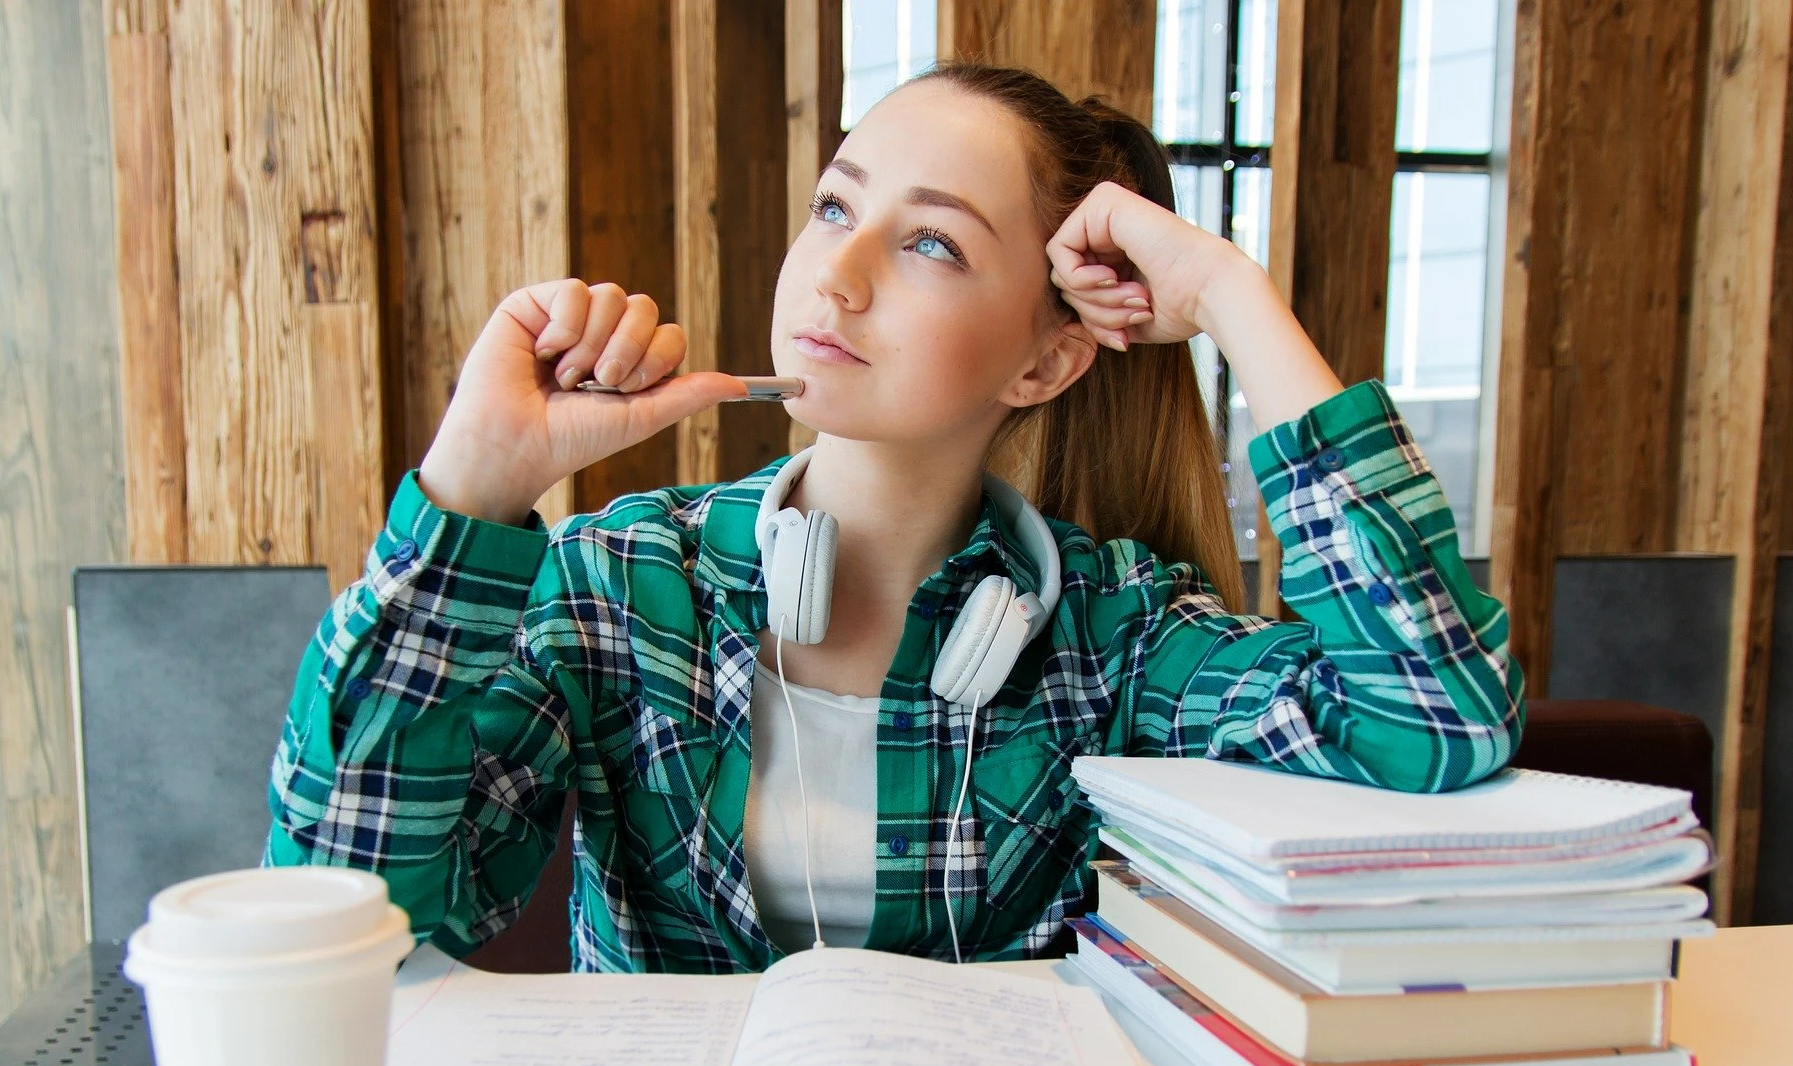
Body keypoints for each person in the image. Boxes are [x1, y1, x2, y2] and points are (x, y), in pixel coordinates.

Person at [264, 62, 1522, 973]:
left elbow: (1437, 714)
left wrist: (1236, 300)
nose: (839, 272)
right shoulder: (617, 581)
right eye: (834, 206)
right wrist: (473, 486)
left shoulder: (1119, 634)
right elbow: (350, 902)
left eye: (931, 246)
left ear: (1043, 363)